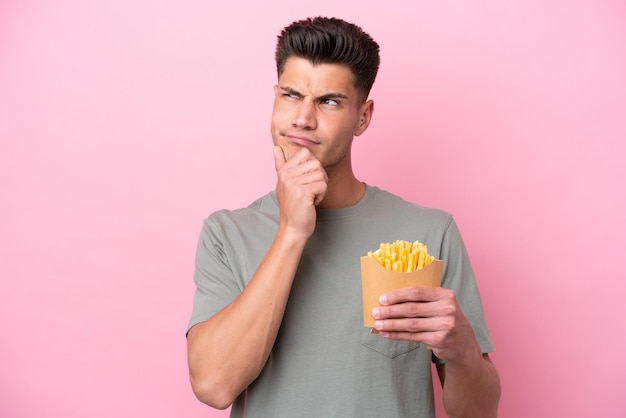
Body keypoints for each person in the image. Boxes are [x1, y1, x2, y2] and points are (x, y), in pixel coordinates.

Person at [186, 16, 501, 418]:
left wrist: (463, 352)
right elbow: (213, 386)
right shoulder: (226, 233)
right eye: (290, 95)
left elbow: (480, 413)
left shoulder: (429, 233)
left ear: (363, 117)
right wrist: (292, 231)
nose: (302, 118)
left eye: (329, 101)